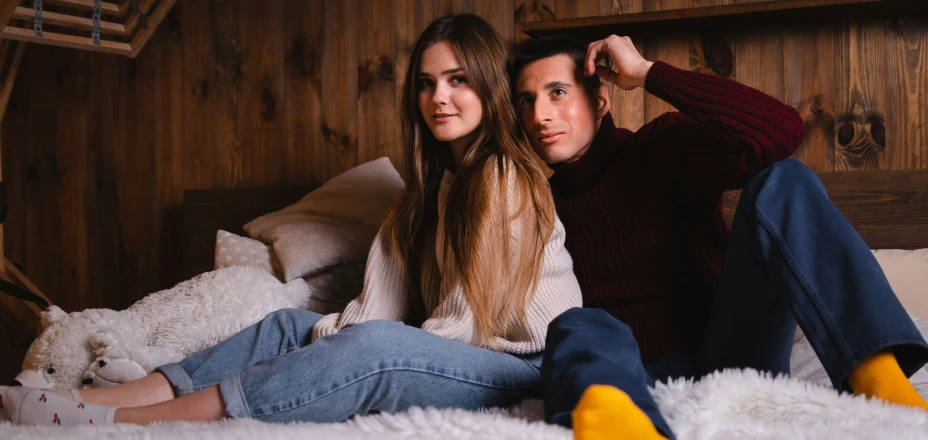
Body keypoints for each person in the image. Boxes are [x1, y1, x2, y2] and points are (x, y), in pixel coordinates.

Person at [0, 14, 581, 426]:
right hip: (460, 349)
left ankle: (131, 418)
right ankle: (104, 398)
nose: (439, 98)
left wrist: (349, 351)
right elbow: (376, 305)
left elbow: (460, 324)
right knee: (290, 323)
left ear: (487, 85)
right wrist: (318, 337)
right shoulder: (420, 196)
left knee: (371, 346)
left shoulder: (505, 176)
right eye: (426, 84)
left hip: (522, 364)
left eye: (458, 80)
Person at [511, 34, 928, 440]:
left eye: (558, 92)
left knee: (784, 179)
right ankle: (619, 427)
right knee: (580, 322)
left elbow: (780, 132)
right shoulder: (532, 205)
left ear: (599, 100)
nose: (540, 116)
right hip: (625, 376)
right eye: (526, 101)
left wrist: (646, 72)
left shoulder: (661, 148)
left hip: (729, 353)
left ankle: (882, 387)